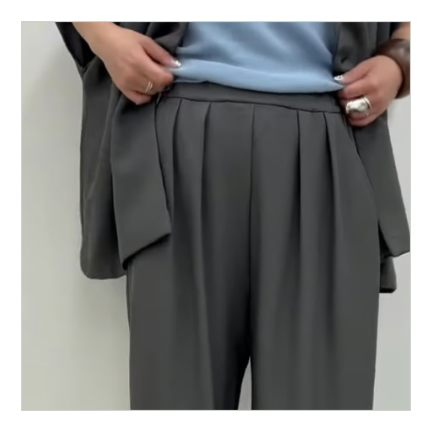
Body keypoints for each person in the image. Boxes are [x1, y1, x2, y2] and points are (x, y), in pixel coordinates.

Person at [57, 22, 410, 410]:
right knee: (175, 403)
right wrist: (103, 37)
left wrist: (401, 59)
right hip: (176, 133)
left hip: (329, 136)